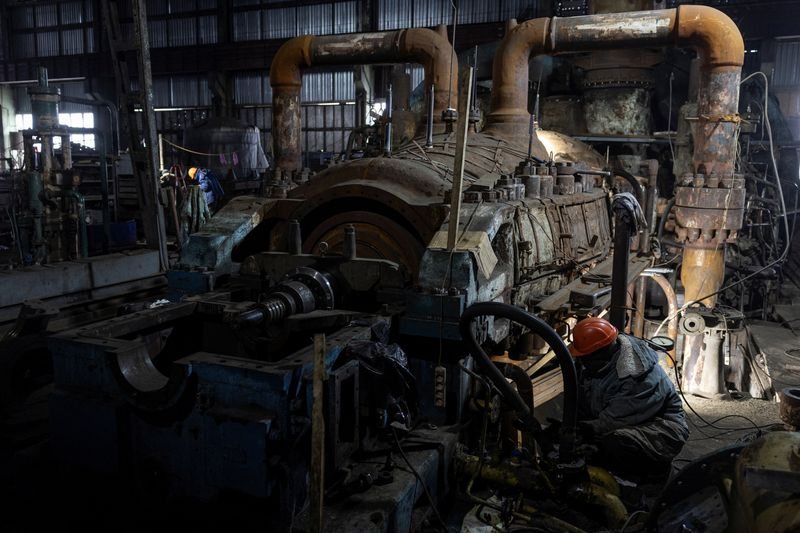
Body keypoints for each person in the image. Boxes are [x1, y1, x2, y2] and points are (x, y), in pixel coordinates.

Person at [570, 317, 689, 478]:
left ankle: (654, 477)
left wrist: (582, 429)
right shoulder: (604, 360)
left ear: (602, 352)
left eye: (585, 357)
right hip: (623, 419)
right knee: (588, 443)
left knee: (614, 445)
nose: (581, 361)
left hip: (661, 428)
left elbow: (613, 421)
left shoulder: (637, 377)